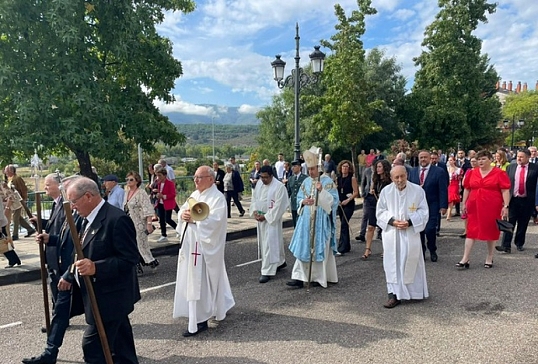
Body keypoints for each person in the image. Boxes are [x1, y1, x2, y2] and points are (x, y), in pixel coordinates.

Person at [67, 177, 140, 363]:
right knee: (121, 348)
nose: (72, 206)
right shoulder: (84, 219)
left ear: (89, 196)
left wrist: (96, 267)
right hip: (95, 296)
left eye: (74, 201)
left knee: (92, 347)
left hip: (111, 297)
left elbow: (129, 259)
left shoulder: (117, 219)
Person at [23, 176, 84, 364]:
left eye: (70, 194)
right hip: (66, 269)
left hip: (79, 273)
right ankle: (50, 354)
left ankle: (120, 352)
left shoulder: (81, 214)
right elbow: (65, 237)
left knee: (110, 321)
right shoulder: (69, 208)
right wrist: (51, 239)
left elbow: (80, 245)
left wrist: (68, 273)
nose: (68, 197)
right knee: (60, 312)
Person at [173, 166, 235, 337]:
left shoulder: (217, 198)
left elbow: (216, 222)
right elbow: (183, 210)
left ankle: (200, 320)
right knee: (197, 281)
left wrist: (195, 220)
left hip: (204, 248)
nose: (196, 180)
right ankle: (214, 307)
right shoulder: (195, 195)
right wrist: (183, 216)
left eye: (199, 177)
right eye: (195, 177)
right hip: (191, 244)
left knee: (200, 282)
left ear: (210, 178)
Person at [376, 165, 429, 308]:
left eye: (402, 176)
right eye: (396, 177)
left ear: (407, 175)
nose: (400, 180)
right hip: (392, 234)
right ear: (391, 178)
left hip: (410, 233)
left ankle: (414, 292)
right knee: (392, 263)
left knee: (409, 261)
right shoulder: (386, 192)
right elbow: (380, 212)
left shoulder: (417, 190)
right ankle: (393, 295)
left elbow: (424, 211)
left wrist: (410, 222)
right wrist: (392, 222)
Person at [287, 147, 339, 289]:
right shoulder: (306, 181)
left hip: (320, 221)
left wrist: (321, 191)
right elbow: (299, 198)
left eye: (313, 169)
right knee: (303, 247)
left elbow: (334, 202)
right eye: (308, 169)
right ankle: (298, 277)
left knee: (317, 248)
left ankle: (317, 277)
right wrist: (303, 202)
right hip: (305, 221)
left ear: (319, 167)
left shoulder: (327, 181)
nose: (310, 172)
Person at [458, 150, 511, 268]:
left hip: (492, 206)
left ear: (490, 160)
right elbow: (467, 188)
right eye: (479, 159)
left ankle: (489, 257)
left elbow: (505, 190)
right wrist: (464, 203)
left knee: (491, 231)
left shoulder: (499, 173)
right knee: (471, 230)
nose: (480, 161)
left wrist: (505, 206)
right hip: (474, 205)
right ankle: (465, 258)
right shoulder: (472, 172)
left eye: (483, 159)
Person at [250, 165, 289, 283]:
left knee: (269, 244)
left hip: (271, 220)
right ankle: (281, 261)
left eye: (266, 177)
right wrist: (255, 211)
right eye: (261, 177)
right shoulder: (260, 184)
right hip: (261, 218)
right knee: (267, 242)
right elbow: (255, 198)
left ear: (271, 176)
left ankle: (266, 271)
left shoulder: (279, 187)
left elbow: (279, 205)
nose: (263, 180)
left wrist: (266, 216)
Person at [408, 151, 448, 262]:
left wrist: (443, 205)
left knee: (430, 229)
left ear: (430, 158)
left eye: (425, 157)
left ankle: (432, 249)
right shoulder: (413, 171)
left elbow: (443, 189)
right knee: (418, 229)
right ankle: (421, 251)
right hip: (416, 206)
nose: (423, 159)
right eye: (421, 157)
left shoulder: (439, 172)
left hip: (432, 204)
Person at [496, 149, 538, 253]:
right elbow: (505, 184)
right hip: (513, 199)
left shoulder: (535, 168)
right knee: (510, 222)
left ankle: (519, 243)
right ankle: (506, 246)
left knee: (523, 223)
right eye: (518, 156)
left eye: (521, 157)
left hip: (527, 200)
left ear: (528, 157)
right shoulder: (511, 167)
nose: (518, 158)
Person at [124, 171, 159, 274]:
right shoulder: (126, 192)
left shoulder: (141, 193)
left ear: (137, 181)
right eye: (127, 180)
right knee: (130, 244)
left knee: (141, 245)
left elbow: (147, 208)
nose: (128, 182)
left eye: (131, 180)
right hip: (129, 222)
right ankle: (136, 265)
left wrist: (149, 224)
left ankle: (151, 261)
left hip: (139, 223)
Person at [361, 160, 392, 259]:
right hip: (373, 203)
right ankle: (367, 249)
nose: (377, 169)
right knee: (370, 226)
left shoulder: (389, 181)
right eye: (377, 167)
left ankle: (385, 249)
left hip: (384, 206)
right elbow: (370, 188)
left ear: (385, 168)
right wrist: (371, 191)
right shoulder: (375, 178)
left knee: (383, 228)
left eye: (380, 167)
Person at [4, 164, 36, 240]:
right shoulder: (9, 179)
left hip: (18, 201)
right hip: (13, 202)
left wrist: (23, 199)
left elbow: (23, 189)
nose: (5, 172)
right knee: (18, 218)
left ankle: (15, 235)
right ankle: (30, 229)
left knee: (15, 218)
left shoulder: (17, 178)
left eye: (6, 170)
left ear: (11, 171)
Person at [336, 160, 358, 255]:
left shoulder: (352, 179)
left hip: (349, 204)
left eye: (347, 167)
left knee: (344, 224)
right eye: (343, 166)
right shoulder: (338, 179)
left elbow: (356, 192)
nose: (345, 168)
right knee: (343, 224)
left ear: (349, 169)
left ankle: (341, 248)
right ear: (340, 168)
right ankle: (347, 245)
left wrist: (348, 200)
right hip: (340, 204)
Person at [152, 168, 177, 243]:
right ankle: (163, 235)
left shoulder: (170, 183)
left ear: (165, 175)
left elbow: (173, 194)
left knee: (168, 219)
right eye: (157, 176)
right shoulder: (158, 183)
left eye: (159, 175)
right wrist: (157, 194)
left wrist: (163, 196)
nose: (158, 177)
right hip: (160, 203)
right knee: (161, 220)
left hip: (167, 204)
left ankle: (178, 229)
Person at [0, 194, 21, 268]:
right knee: (4, 243)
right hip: (2, 223)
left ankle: (14, 260)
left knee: (4, 243)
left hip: (1, 223)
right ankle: (14, 259)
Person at [287, 159, 308, 227]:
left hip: (302, 205)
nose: (293, 168)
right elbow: (288, 192)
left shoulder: (305, 178)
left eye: (295, 166)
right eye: (292, 166)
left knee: (302, 224)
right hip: (294, 204)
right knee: (295, 224)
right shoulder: (290, 179)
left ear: (299, 167)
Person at [445, 157, 462, 221]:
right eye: (449, 160)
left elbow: (460, 179)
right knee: (448, 199)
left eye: (451, 160)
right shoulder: (446, 169)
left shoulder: (458, 170)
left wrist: (460, 187)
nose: (450, 161)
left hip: (455, 185)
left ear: (454, 161)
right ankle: (448, 212)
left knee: (451, 200)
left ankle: (448, 215)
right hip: (447, 185)